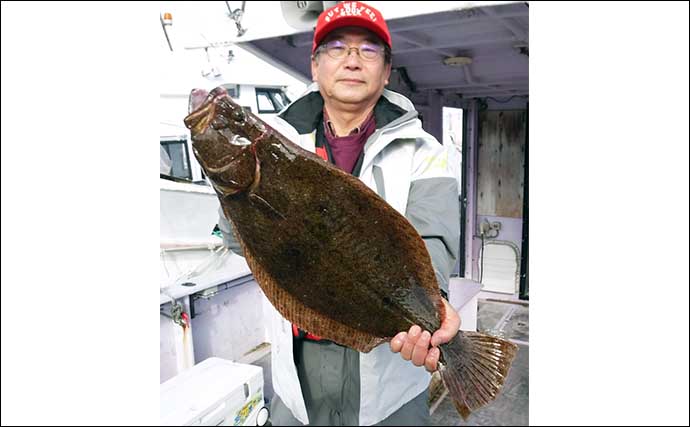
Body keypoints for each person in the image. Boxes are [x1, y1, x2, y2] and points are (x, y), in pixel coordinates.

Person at [217, 2, 461, 425]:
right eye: (335, 47)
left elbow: (432, 241)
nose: (351, 60)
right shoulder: (276, 139)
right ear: (314, 66)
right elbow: (240, 241)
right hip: (297, 377)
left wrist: (431, 309)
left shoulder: (426, 152)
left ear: (386, 71)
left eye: (368, 50)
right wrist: (232, 187)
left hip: (389, 386)